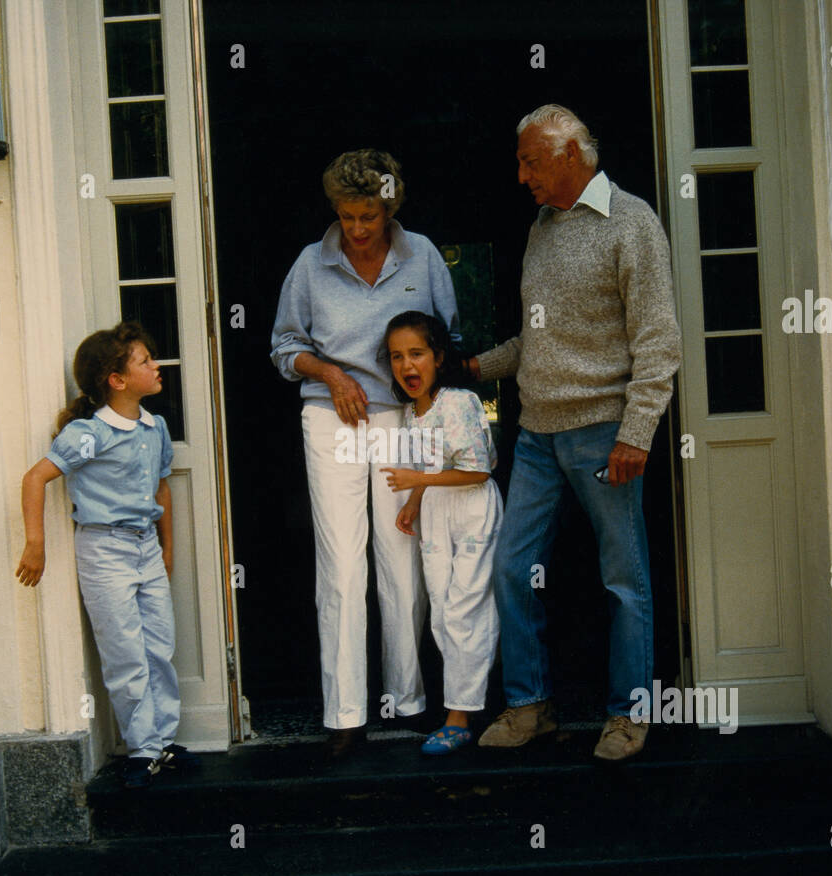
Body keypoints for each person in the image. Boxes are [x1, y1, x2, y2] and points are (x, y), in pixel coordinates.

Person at [467, 104, 682, 761]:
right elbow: (540, 339)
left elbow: (659, 341)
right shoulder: (543, 226)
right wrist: (478, 366)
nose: (521, 173)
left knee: (623, 578)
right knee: (509, 567)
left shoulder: (631, 222)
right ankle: (531, 705)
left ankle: (628, 715)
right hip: (536, 431)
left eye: (530, 160)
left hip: (603, 430)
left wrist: (637, 433)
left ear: (571, 155)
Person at [270, 149, 461, 757]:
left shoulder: (423, 255)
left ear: (389, 209)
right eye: (347, 216)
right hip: (331, 416)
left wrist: (430, 407)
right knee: (343, 565)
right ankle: (345, 713)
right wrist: (329, 373)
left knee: (403, 557)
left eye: (368, 217)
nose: (355, 229)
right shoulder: (310, 263)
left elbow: (447, 340)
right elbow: (282, 347)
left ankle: (406, 701)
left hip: (400, 417)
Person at [16, 322, 198, 788]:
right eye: (144, 361)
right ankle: (142, 750)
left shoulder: (154, 426)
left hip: (145, 549)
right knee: (125, 654)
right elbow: (35, 479)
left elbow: (162, 489)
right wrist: (36, 544)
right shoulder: (88, 433)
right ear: (116, 380)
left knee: (159, 646)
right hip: (104, 550)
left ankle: (162, 743)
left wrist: (167, 551)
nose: (156, 367)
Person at [380, 311, 502, 755]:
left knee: (467, 609)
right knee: (442, 613)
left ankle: (459, 717)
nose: (407, 366)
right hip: (434, 514)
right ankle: (465, 705)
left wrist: (417, 485)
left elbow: (476, 473)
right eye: (397, 357)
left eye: (417, 354)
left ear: (438, 357)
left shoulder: (459, 402)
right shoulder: (413, 412)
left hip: (469, 513)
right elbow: (430, 470)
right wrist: (414, 504)